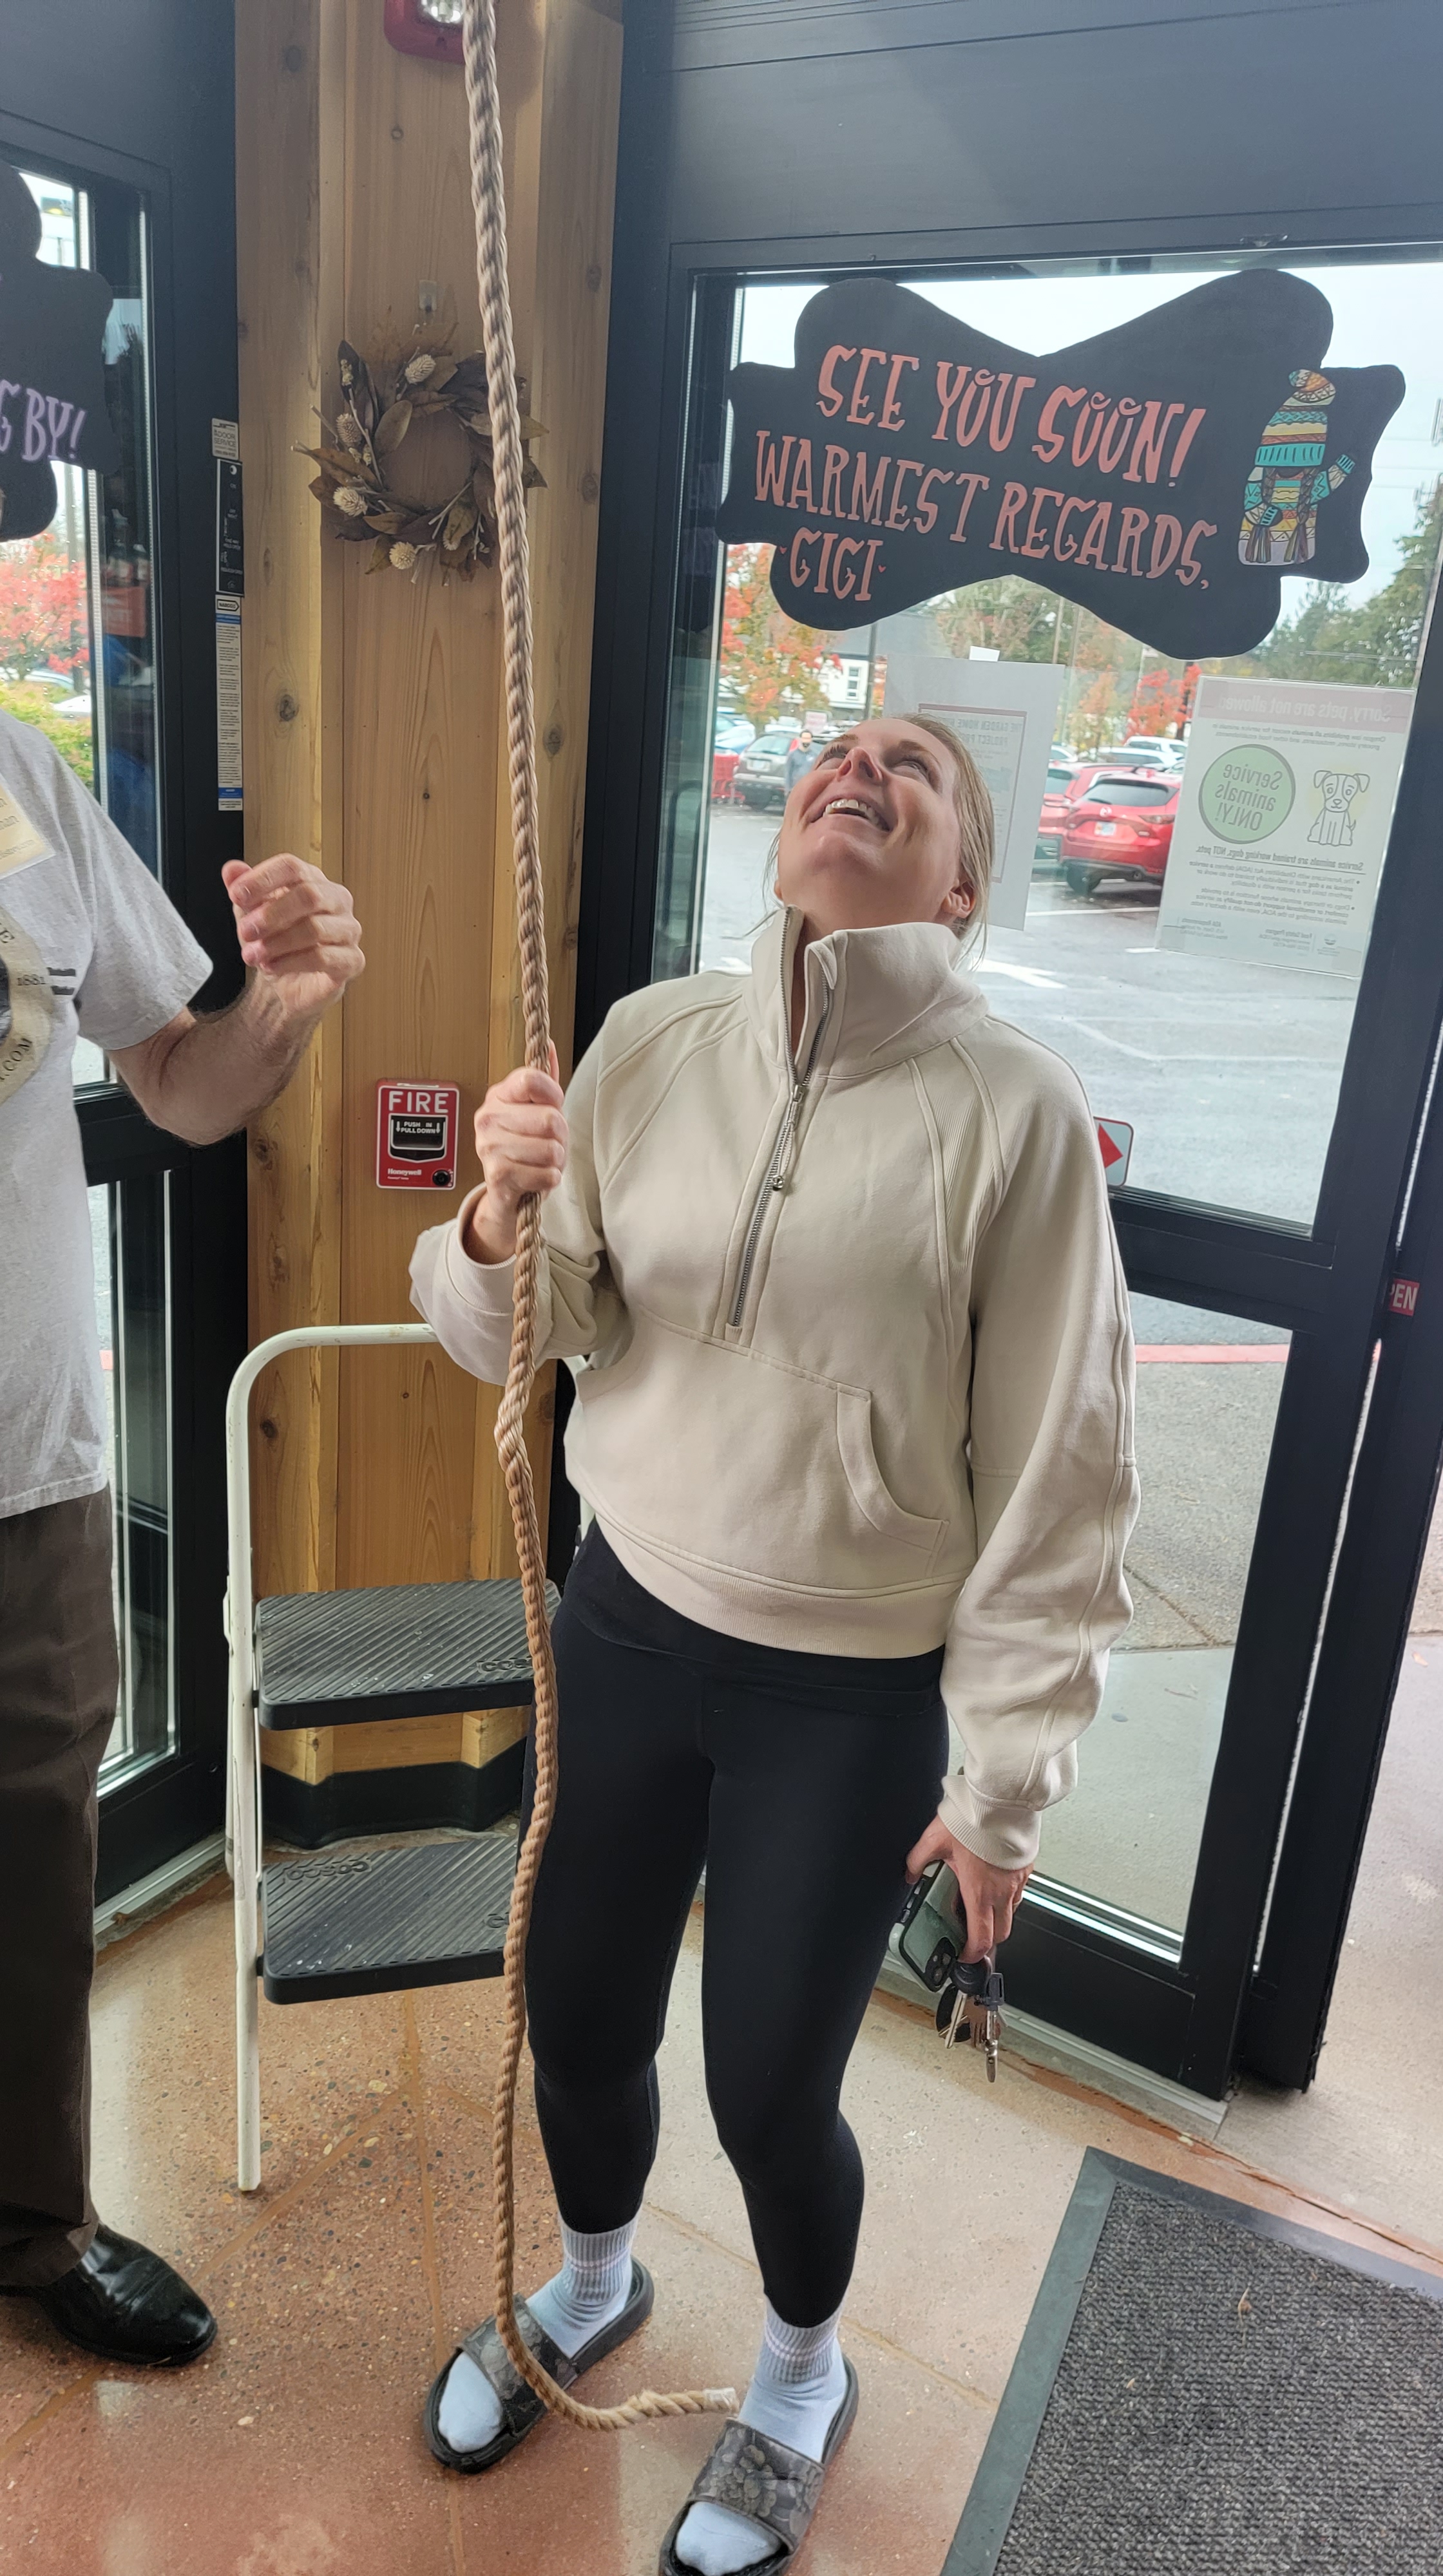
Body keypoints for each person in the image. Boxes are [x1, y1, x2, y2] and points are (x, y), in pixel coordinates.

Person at [410, 714, 1136, 2573]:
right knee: (576, 2012)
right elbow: (533, 1334)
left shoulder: (1015, 1110)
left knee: (765, 2085)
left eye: (915, 768)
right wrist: (493, 1214)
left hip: (848, 1692)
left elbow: (1061, 1477)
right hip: (623, 1623)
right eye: (834, 747)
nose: (857, 767)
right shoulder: (656, 1039)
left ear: (961, 886)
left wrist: (1006, 1789)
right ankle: (593, 2283)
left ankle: (804, 2376)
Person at [0, 706, 362, 2366]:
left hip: (28, 1471)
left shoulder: (18, 771)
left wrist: (279, 1002)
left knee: (32, 1868)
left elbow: (179, 1079)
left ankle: (31, 2221)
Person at [783, 724, 816, 795]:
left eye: (808, 738)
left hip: (810, 790)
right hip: (795, 790)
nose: (806, 741)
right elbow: (788, 773)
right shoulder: (792, 755)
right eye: (804, 738)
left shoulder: (815, 756)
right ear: (800, 739)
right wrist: (788, 790)